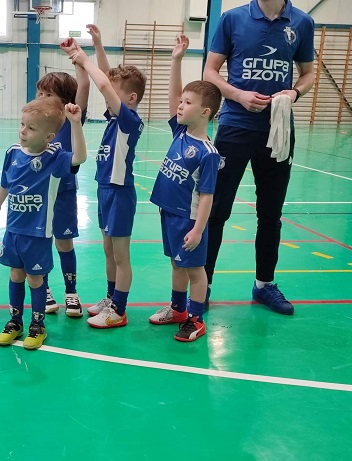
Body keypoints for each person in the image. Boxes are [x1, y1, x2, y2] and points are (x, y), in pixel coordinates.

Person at [203, 0, 315, 315]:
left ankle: (264, 285)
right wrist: (238, 95)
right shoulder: (232, 19)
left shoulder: (302, 22)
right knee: (216, 211)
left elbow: (308, 74)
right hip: (235, 127)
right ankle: (203, 286)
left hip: (278, 131)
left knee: (270, 214)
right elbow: (210, 71)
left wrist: (294, 93)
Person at [0, 98, 87, 350]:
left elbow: (80, 157)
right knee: (15, 274)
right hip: (13, 231)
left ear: (49, 137)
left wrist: (76, 123)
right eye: (22, 124)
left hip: (38, 233)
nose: (23, 131)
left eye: (31, 128)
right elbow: (6, 183)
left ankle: (38, 325)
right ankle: (15, 322)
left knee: (35, 279)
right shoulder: (12, 153)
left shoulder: (54, 158)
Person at [64, 26, 146, 329]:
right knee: (108, 250)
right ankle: (111, 298)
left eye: (114, 92)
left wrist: (84, 60)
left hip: (120, 192)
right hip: (104, 189)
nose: (106, 94)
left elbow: (102, 83)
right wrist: (98, 45)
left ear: (130, 98)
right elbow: (108, 79)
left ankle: (119, 310)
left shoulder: (129, 120)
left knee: (121, 255)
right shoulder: (115, 117)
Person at [148, 35, 222, 342]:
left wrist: (198, 230)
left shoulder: (208, 153)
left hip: (188, 219)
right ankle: (178, 309)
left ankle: (195, 318)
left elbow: (207, 196)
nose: (180, 105)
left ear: (205, 112)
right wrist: (176, 60)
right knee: (176, 263)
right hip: (169, 212)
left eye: (188, 103)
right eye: (182, 101)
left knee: (195, 270)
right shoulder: (180, 131)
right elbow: (173, 96)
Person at [35, 56, 90, 318]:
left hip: (64, 192)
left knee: (64, 243)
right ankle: (44, 289)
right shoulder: (34, 122)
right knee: (42, 242)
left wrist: (78, 59)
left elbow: (84, 85)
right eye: (39, 93)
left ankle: (71, 292)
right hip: (39, 194)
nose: (41, 98)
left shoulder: (70, 120)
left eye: (48, 94)